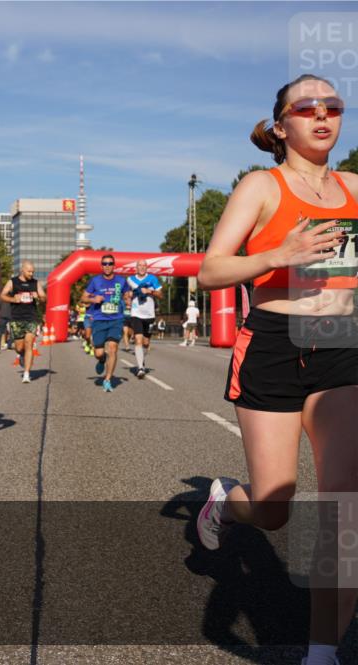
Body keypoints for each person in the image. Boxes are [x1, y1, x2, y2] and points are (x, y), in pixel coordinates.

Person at [196, 75, 357, 665]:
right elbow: (211, 271)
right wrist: (276, 256)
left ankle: (321, 653)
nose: (323, 116)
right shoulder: (261, 187)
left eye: (333, 107)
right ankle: (224, 502)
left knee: (346, 505)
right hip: (273, 346)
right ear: (281, 123)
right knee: (273, 506)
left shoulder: (356, 187)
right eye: (307, 107)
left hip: (343, 347)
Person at [81, 253, 131, 392]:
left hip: (116, 319)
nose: (107, 266)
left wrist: (128, 299)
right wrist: (93, 299)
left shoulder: (121, 281)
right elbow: (83, 298)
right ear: (101, 266)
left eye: (110, 263)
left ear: (114, 266)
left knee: (113, 348)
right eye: (104, 264)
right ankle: (102, 360)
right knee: (98, 352)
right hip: (99, 319)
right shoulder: (95, 281)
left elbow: (127, 294)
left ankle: (107, 379)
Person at [0, 261, 45, 383]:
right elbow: (2, 295)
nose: (31, 273)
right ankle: (21, 355)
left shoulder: (35, 283)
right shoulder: (13, 282)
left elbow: (44, 297)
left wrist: (39, 297)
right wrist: (13, 299)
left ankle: (26, 373)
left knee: (29, 343)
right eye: (29, 271)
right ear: (22, 270)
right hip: (16, 318)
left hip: (31, 318)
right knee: (19, 347)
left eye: (33, 271)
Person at [126, 260, 163, 378]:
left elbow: (161, 295)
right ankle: (140, 368)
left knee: (146, 343)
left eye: (144, 266)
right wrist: (128, 295)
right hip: (136, 313)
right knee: (138, 340)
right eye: (139, 266)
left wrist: (149, 291)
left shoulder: (153, 279)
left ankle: (142, 357)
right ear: (136, 268)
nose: (142, 268)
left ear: (147, 268)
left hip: (149, 315)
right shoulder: (130, 279)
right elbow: (125, 294)